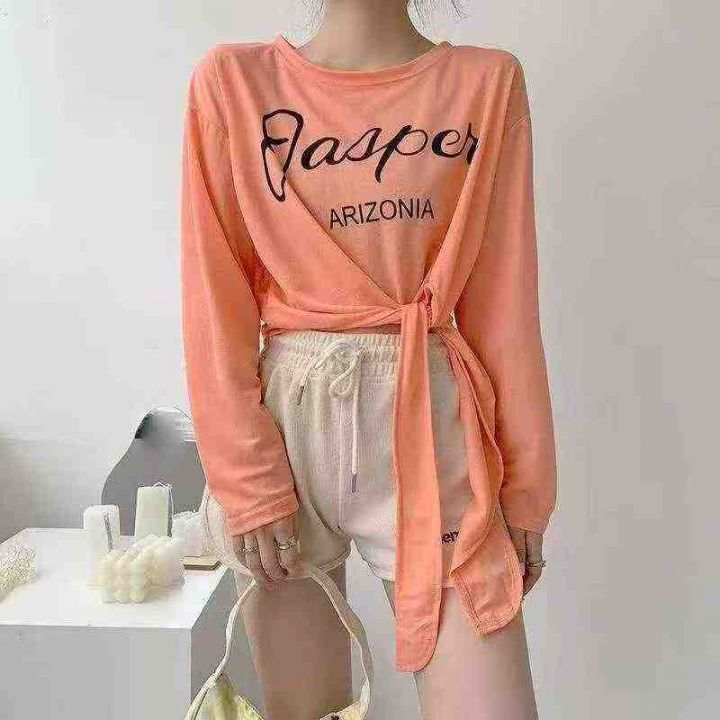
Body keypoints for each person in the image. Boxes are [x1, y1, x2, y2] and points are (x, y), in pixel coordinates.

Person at [180, 1, 557, 718]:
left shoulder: (487, 83)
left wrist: (526, 485)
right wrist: (248, 484)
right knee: (304, 711)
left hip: (432, 429)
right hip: (286, 438)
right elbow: (213, 304)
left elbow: (505, 299)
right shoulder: (233, 83)